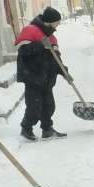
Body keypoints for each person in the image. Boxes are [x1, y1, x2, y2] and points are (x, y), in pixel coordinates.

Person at [15, 7, 67, 141]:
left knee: (49, 106)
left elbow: (57, 58)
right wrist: (40, 45)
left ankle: (47, 130)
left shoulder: (52, 37)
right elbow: (22, 50)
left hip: (47, 78)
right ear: (49, 22)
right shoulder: (31, 30)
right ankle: (26, 129)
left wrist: (64, 71)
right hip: (33, 76)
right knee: (34, 108)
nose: (57, 25)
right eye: (56, 22)